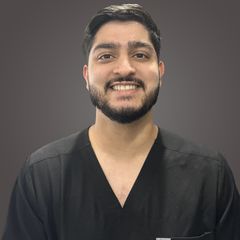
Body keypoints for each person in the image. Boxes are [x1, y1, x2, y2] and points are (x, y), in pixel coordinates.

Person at [2, 3, 240, 240]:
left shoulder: (211, 176)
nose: (125, 68)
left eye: (140, 55)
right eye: (106, 56)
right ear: (86, 76)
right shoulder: (41, 177)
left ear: (160, 72)